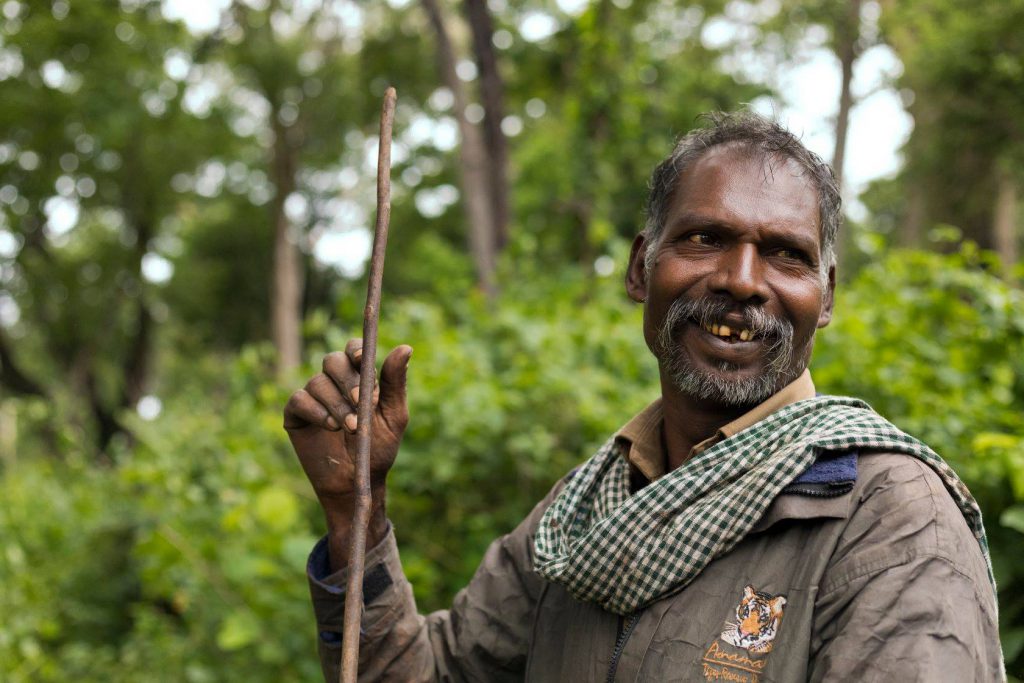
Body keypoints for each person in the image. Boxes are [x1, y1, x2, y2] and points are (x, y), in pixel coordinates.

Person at [284, 112, 1004, 682]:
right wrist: (359, 512)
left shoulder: (890, 520)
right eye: (704, 237)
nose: (744, 280)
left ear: (827, 297)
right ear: (640, 268)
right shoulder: (585, 511)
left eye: (786, 253)